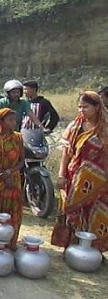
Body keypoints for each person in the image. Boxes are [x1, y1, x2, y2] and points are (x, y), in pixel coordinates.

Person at [52, 91, 108, 252]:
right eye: (79, 107)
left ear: (97, 107)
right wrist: (61, 175)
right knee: (72, 211)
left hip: (101, 183)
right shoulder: (75, 127)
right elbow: (66, 153)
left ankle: (93, 249)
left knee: (97, 214)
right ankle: (70, 247)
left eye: (85, 107)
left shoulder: (105, 129)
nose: (81, 111)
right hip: (75, 179)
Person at [0, 108, 24, 249]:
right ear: (1, 121)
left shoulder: (18, 138)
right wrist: (2, 174)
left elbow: (22, 161)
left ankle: (10, 241)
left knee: (12, 209)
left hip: (13, 178)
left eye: (14, 120)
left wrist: (10, 172)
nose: (13, 123)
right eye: (10, 120)